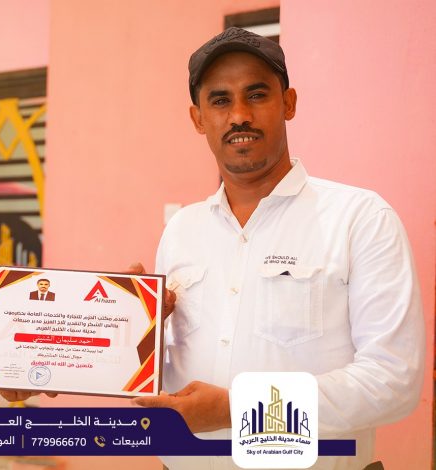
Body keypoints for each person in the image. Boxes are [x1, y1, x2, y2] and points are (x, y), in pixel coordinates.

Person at [132, 27, 425, 469]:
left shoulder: (360, 218)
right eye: (220, 100)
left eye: (256, 94)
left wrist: (240, 409)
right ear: (198, 119)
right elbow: (163, 367)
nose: (239, 116)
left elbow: (393, 380)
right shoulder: (181, 231)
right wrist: (118, 335)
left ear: (288, 103)